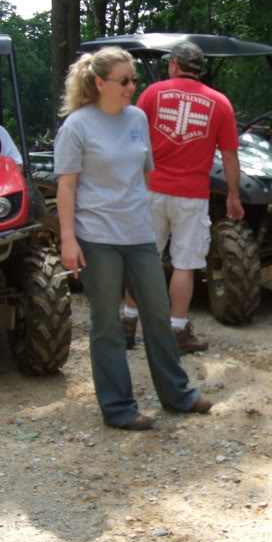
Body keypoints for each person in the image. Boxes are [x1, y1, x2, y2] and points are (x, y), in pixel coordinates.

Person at [54, 46, 212, 430]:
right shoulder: (77, 125)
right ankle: (119, 407)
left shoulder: (138, 117)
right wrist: (68, 241)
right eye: (124, 81)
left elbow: (144, 176)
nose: (131, 87)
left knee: (158, 314)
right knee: (108, 323)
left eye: (134, 80)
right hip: (97, 237)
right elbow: (67, 187)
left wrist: (142, 217)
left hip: (139, 234)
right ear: (99, 83)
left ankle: (177, 395)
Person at [121, 41, 244, 354]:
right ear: (198, 67)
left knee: (142, 258)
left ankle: (127, 323)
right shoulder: (220, 103)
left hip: (151, 188)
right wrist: (233, 195)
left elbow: (132, 139)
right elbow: (230, 156)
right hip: (191, 194)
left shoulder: (152, 94)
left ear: (174, 64)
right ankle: (176, 331)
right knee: (185, 265)